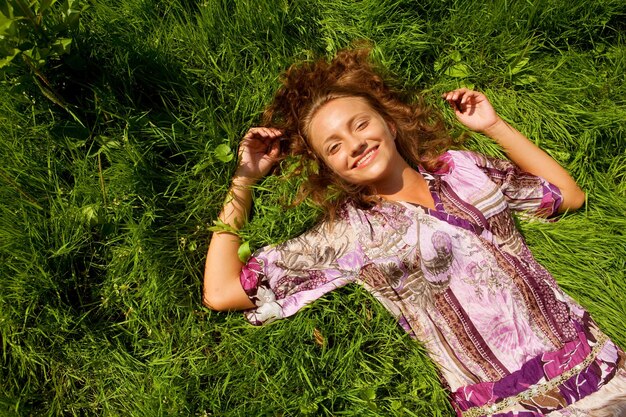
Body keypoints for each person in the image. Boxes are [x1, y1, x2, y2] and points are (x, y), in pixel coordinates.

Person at [203, 48, 626, 417]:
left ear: (388, 121)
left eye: (359, 124)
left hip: (596, 362)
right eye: (332, 146)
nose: (352, 144)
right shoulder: (348, 234)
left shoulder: (460, 168)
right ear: (327, 166)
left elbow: (568, 196)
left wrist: (494, 127)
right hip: (511, 404)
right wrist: (244, 179)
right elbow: (220, 291)